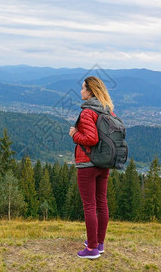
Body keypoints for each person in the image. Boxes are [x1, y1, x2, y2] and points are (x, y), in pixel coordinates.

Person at [69, 76, 115, 259]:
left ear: (89, 91)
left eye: (82, 88)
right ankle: (99, 243)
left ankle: (92, 249)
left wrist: (74, 134)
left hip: (87, 163)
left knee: (89, 206)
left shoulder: (88, 111)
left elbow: (91, 139)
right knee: (102, 203)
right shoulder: (108, 110)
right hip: (104, 163)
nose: (81, 91)